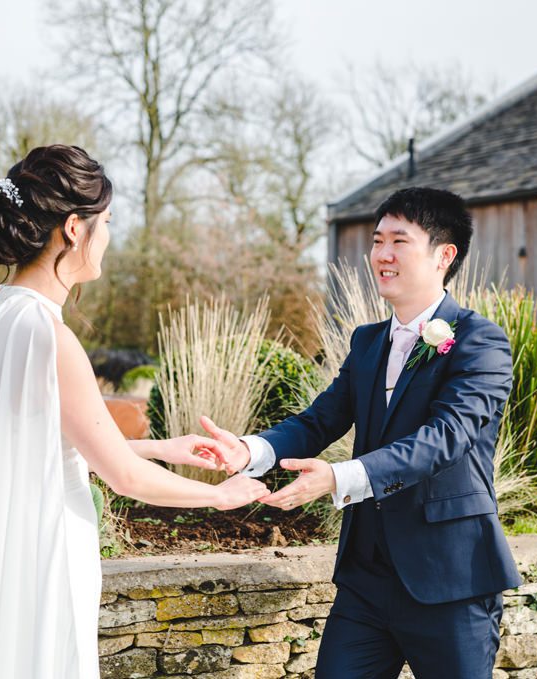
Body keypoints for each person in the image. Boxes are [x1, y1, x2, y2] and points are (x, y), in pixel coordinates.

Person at [0, 144, 270, 678]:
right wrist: (220, 497)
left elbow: (45, 441)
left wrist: (162, 448)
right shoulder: (52, 336)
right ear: (75, 228)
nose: (109, 237)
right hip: (45, 555)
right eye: (107, 223)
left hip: (4, 561)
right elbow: (122, 478)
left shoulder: (2, 315)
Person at [203, 186, 519, 678]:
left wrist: (337, 478)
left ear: (444, 255)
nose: (382, 254)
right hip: (366, 583)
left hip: (451, 579)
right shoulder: (368, 341)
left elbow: (445, 438)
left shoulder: (481, 343)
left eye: (399, 241)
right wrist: (248, 451)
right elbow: (320, 419)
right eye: (377, 241)